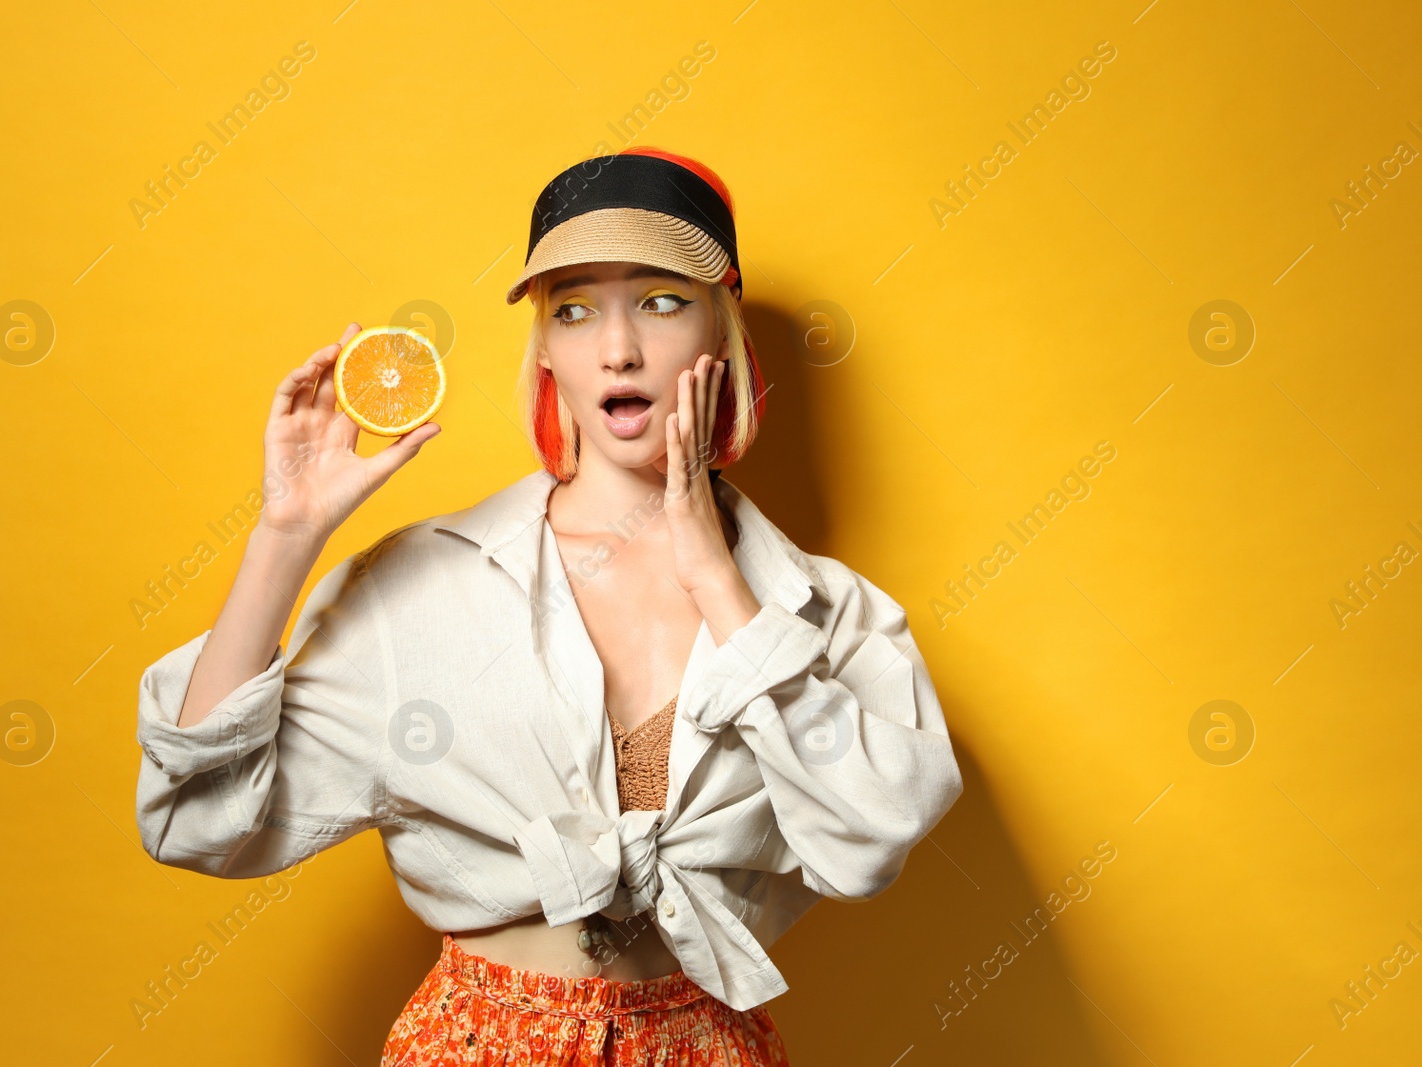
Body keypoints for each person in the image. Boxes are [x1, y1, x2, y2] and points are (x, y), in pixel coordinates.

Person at [134, 146, 964, 1065]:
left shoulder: (822, 610)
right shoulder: (424, 587)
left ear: (721, 335)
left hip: (703, 1044)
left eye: (660, 300)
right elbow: (195, 817)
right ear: (549, 357)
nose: (618, 346)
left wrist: (721, 587)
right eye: (574, 309)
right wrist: (284, 538)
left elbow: (873, 833)